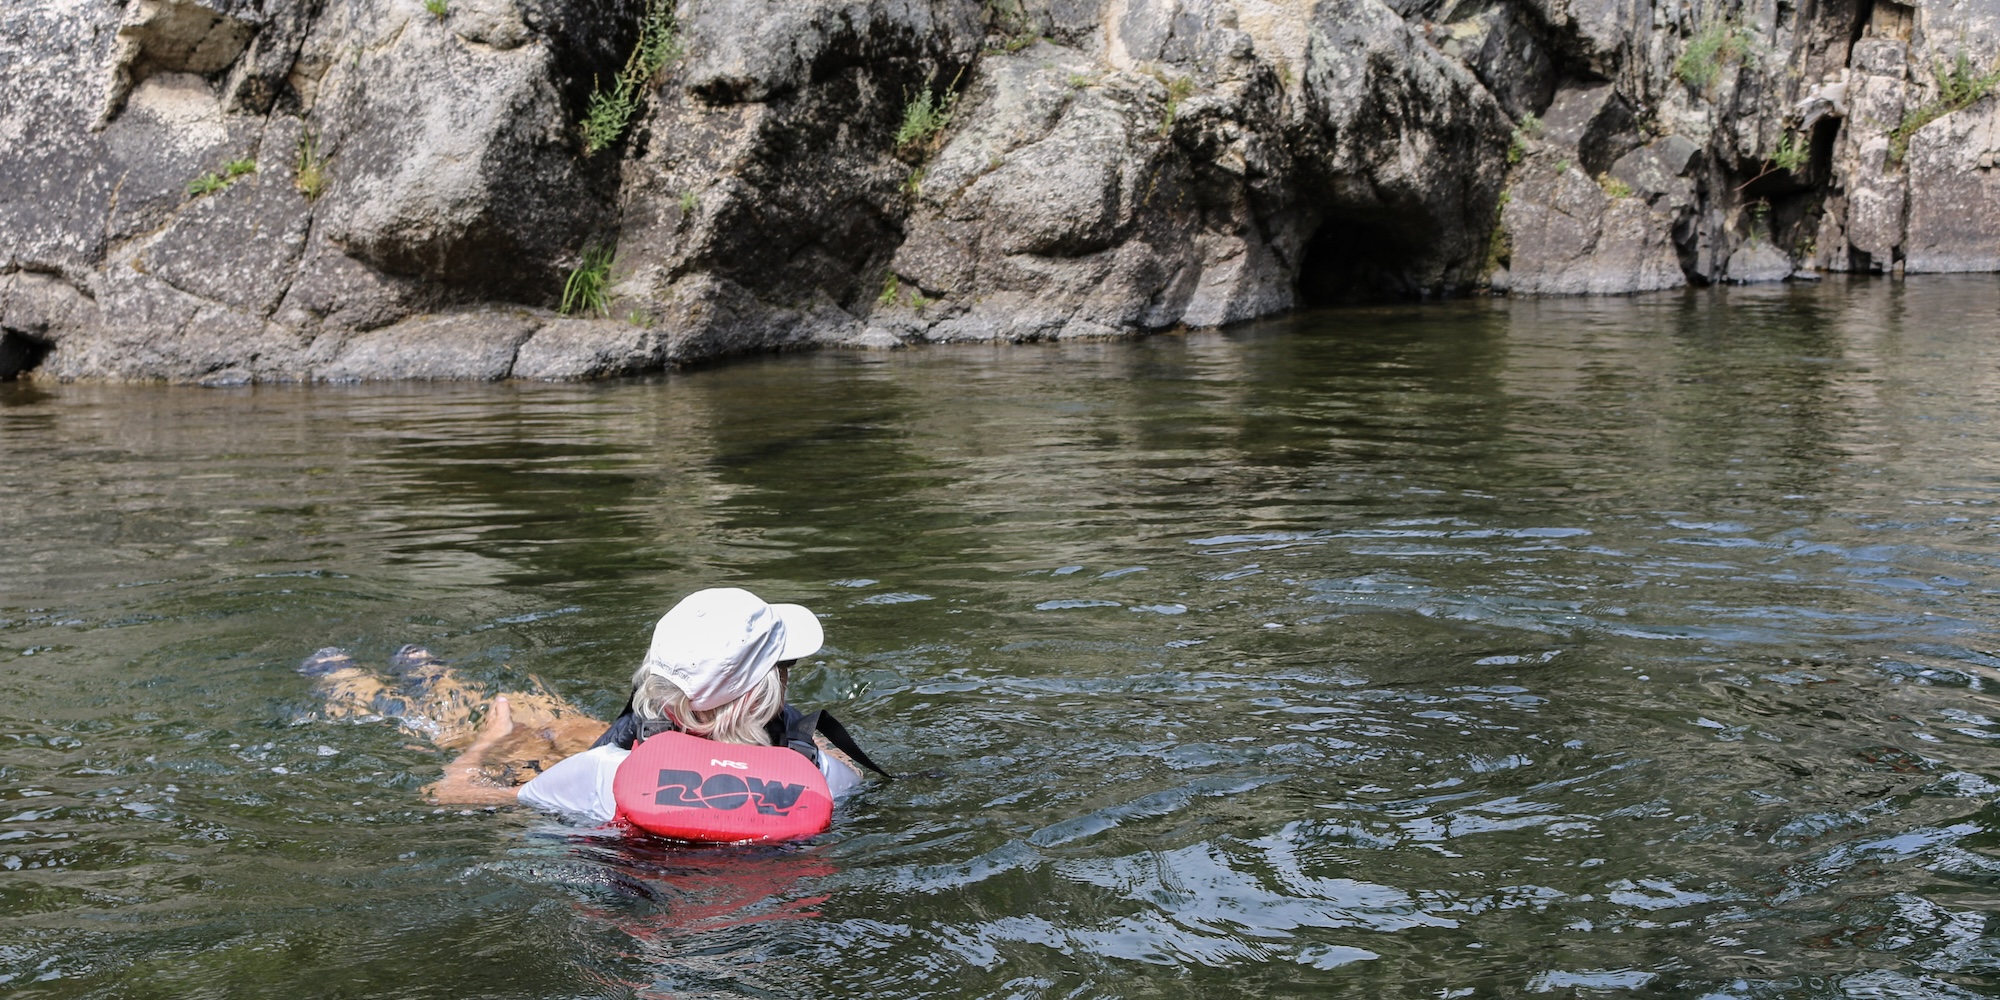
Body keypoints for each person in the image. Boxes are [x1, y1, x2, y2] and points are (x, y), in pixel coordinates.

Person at [306, 588, 877, 825]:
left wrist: (490, 740)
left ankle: (371, 676)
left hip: (606, 782)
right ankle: (414, 672)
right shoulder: (823, 777)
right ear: (767, 690)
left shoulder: (602, 774)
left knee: (521, 728)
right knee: (558, 725)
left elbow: (449, 796)